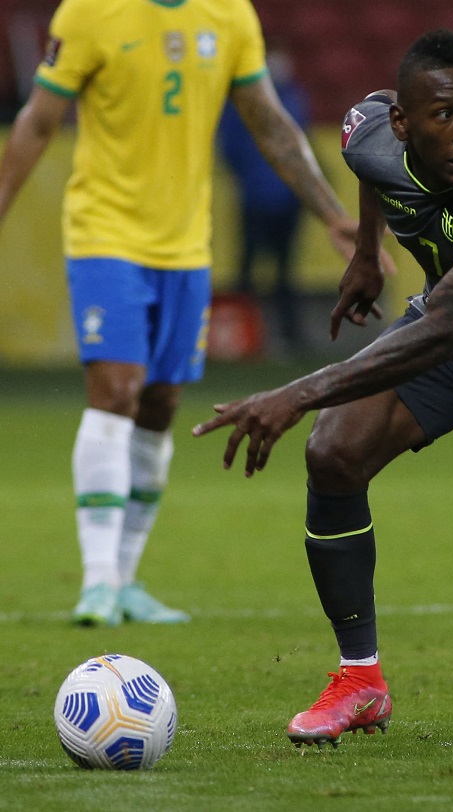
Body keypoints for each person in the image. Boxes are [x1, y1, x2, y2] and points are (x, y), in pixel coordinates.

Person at [193, 29, 453, 747]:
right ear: (404, 124)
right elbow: (369, 158)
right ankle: (360, 679)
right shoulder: (367, 135)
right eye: (445, 114)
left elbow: (442, 327)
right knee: (333, 455)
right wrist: (364, 250)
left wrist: (295, 393)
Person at [0, 0, 358, 628]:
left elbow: (269, 123)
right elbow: (37, 121)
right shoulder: (88, 13)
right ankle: (98, 582)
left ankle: (128, 578)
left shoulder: (229, 15)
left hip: (185, 246)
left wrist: (332, 214)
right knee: (116, 389)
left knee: (160, 403)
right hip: (104, 236)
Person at [217, 45, 311, 355]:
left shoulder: (285, 97)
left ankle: (277, 338)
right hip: (266, 198)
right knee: (257, 272)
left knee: (279, 272)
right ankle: (247, 338)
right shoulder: (269, 99)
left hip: (279, 200)